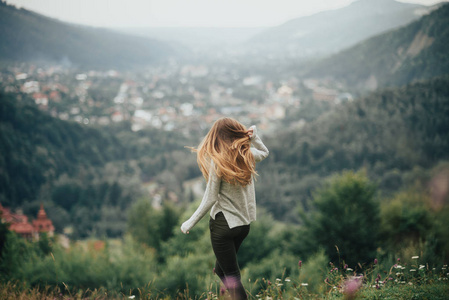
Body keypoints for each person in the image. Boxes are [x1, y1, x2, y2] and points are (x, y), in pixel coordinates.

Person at [180, 117, 269, 300]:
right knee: (221, 270)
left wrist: (190, 222)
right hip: (243, 226)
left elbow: (210, 197)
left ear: (217, 137)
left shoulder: (218, 161)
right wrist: (254, 137)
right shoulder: (248, 155)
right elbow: (264, 151)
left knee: (232, 277)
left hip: (223, 226)